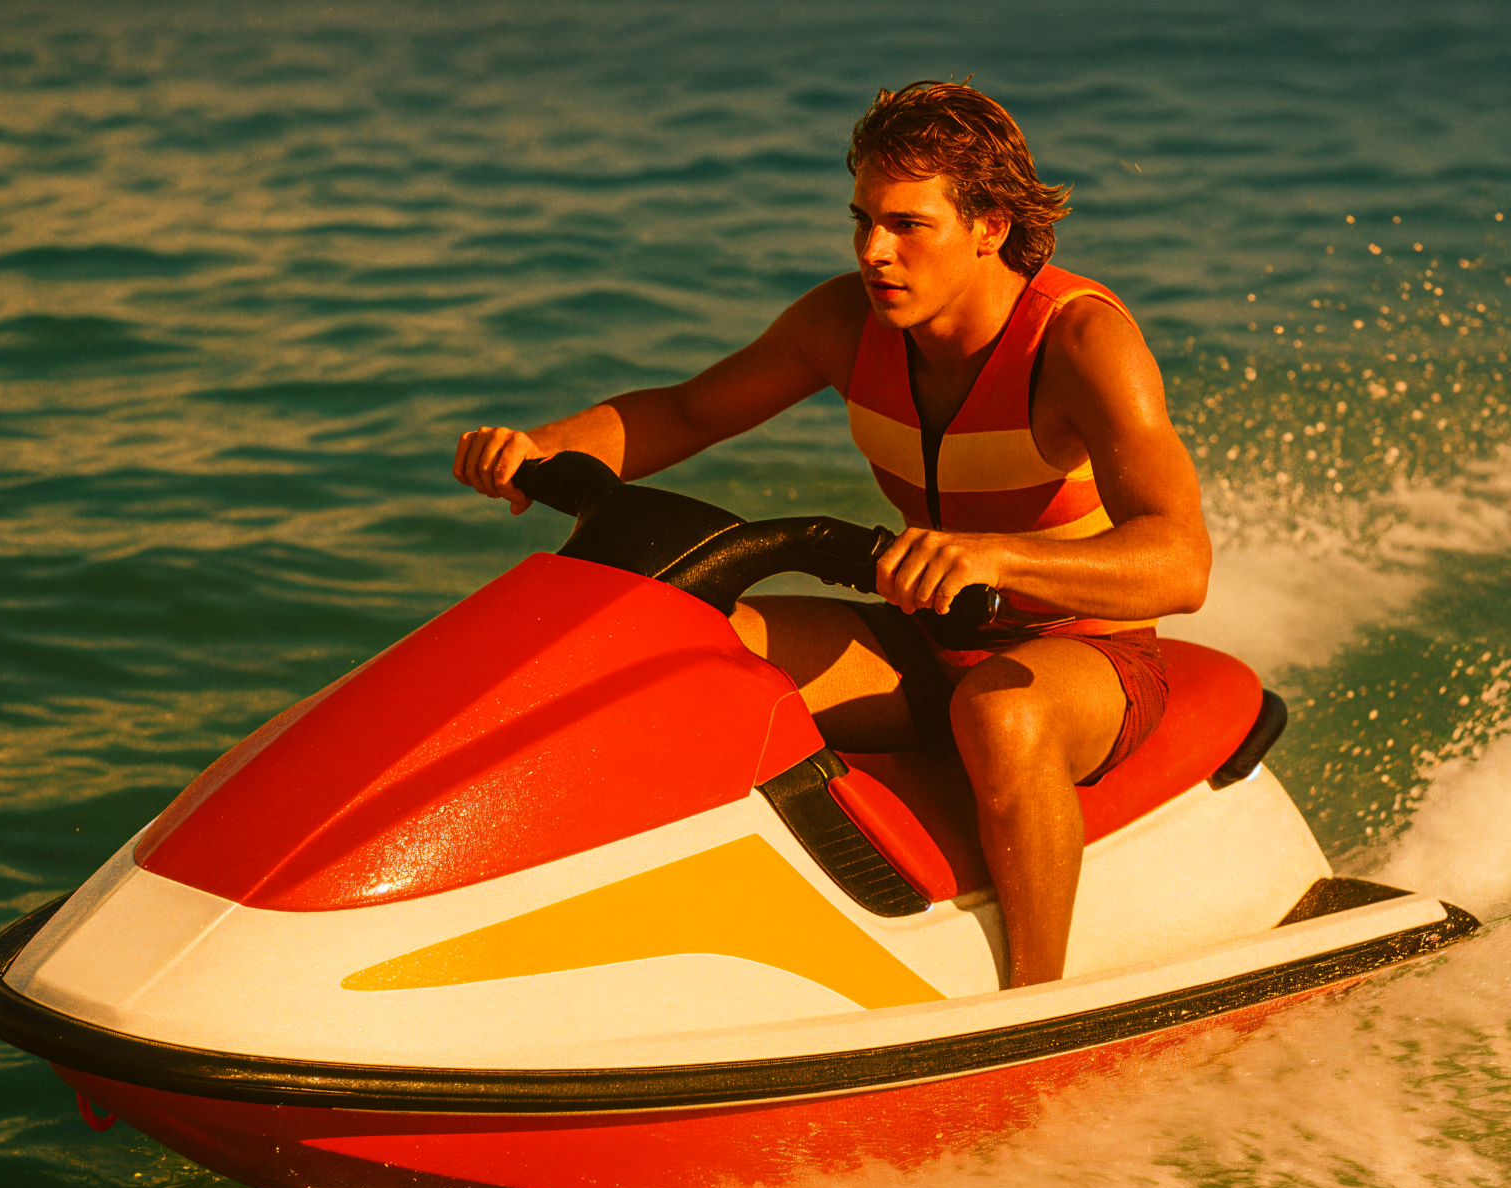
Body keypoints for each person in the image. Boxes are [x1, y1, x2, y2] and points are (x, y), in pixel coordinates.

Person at [453, 81, 1211, 987]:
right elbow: (687, 412)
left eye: (905, 225)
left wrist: (996, 556)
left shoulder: (1080, 344)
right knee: (690, 647)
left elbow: (1180, 560)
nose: (872, 252)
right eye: (860, 220)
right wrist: (538, 447)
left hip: (1083, 656)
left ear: (991, 224)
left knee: (1000, 712)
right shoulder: (840, 324)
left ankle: (1032, 1003)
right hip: (927, 636)